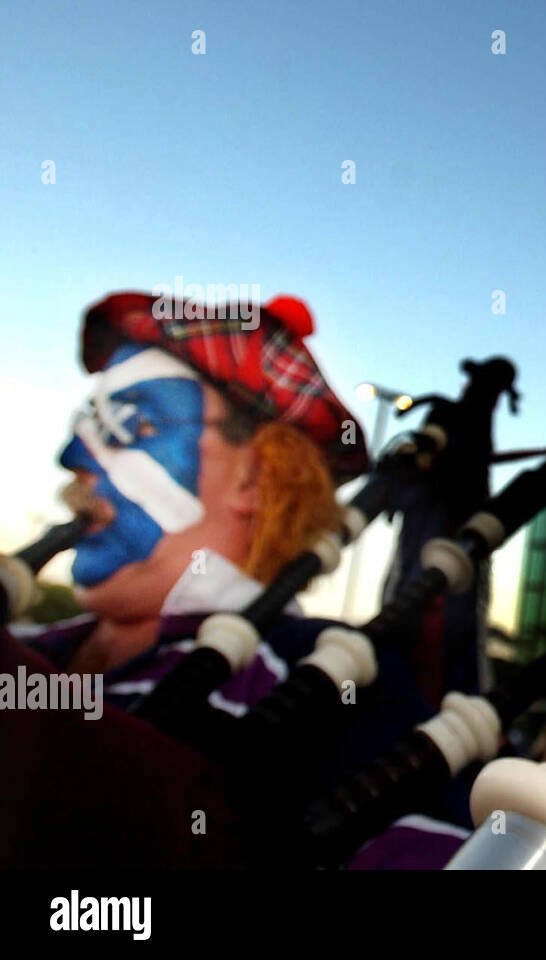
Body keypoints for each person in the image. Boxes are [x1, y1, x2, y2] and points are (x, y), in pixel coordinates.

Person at [5, 292, 435, 864]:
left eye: (129, 422)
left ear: (256, 477)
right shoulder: (37, 646)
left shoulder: (335, 690)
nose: (71, 456)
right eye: (86, 422)